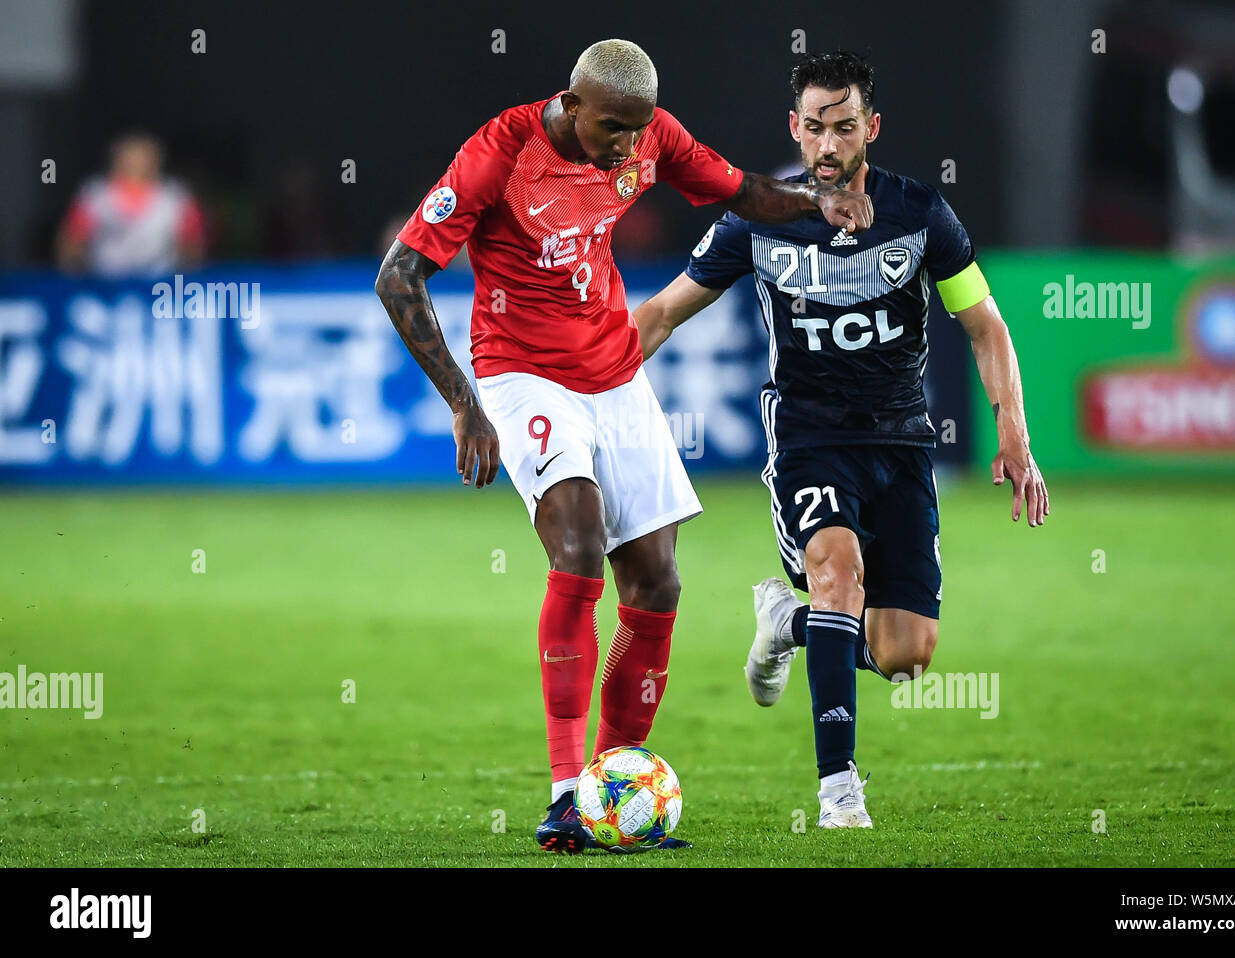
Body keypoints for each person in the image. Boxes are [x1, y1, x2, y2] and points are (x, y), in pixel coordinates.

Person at [374, 39, 873, 853]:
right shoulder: (498, 154)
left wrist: (815, 206)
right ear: (573, 107)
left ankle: (617, 788)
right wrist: (465, 406)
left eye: (638, 131)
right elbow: (399, 276)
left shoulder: (650, 134)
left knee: (658, 580)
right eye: (613, 130)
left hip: (612, 372)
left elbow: (741, 190)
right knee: (575, 544)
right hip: (521, 375)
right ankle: (567, 793)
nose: (627, 148)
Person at [634, 51, 1050, 829]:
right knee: (836, 574)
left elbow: (983, 324)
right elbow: (659, 314)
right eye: (815, 128)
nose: (828, 145)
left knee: (904, 655)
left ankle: (786, 625)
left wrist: (1014, 435)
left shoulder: (920, 216)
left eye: (844, 127)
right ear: (795, 128)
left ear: (872, 129)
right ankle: (838, 792)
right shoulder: (758, 219)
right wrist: (584, 382)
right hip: (807, 438)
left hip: (899, 445)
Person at [57, 133, 204, 277]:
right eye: (129, 157)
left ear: (156, 160)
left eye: (143, 157)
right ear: (116, 159)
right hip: (105, 281)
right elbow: (73, 238)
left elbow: (192, 241)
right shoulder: (95, 195)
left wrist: (188, 274)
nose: (136, 163)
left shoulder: (175, 196)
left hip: (160, 281)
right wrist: (73, 274)